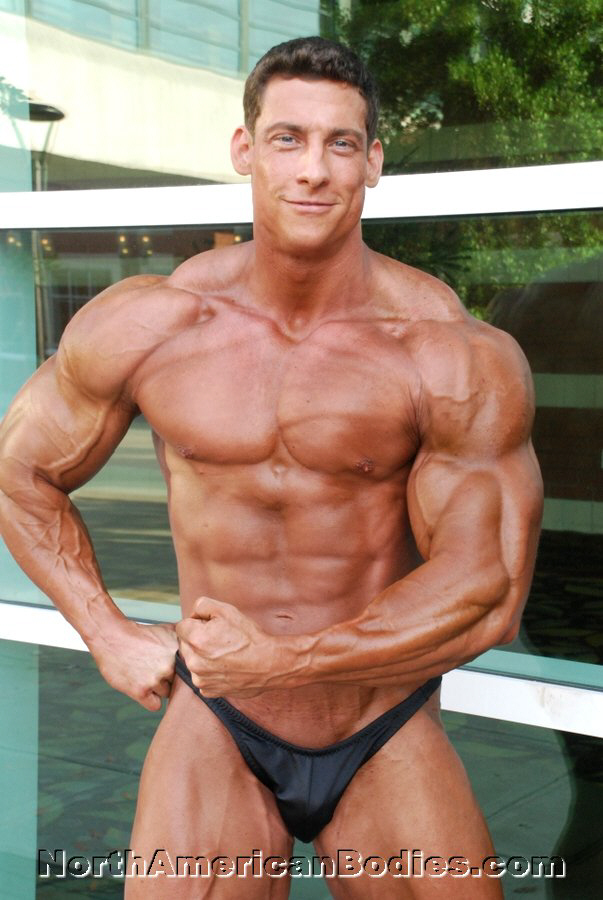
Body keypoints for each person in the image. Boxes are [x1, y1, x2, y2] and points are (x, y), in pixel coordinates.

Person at [0, 36, 542, 898]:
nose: (312, 170)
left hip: (380, 716)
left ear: (373, 163)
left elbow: (489, 588)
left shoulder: (445, 351)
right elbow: (20, 473)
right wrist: (105, 631)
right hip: (218, 718)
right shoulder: (153, 324)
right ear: (244, 149)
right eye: (287, 138)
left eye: (340, 144)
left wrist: (286, 662)